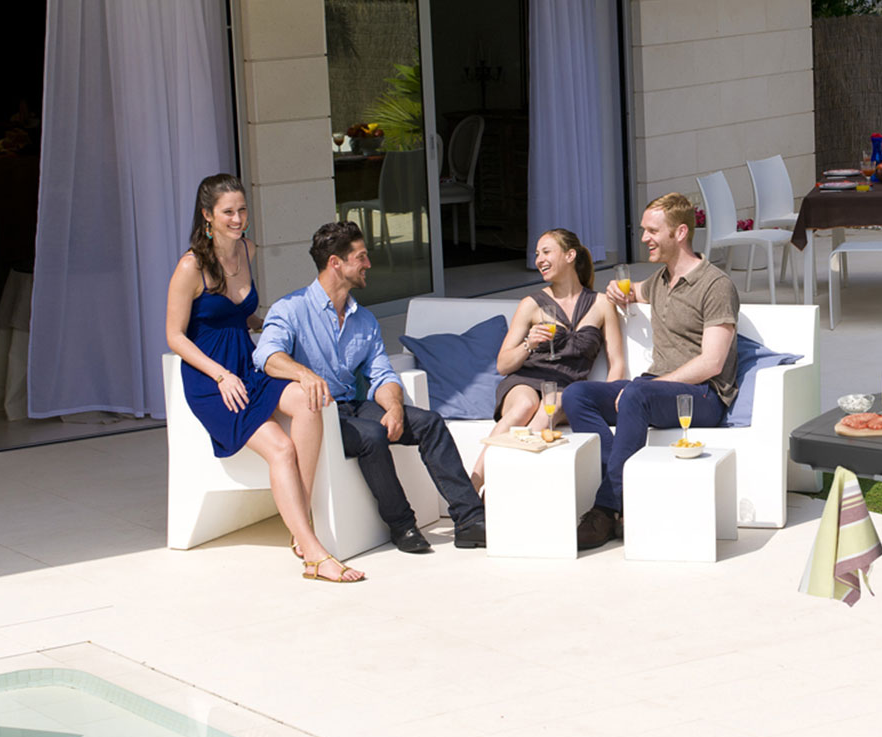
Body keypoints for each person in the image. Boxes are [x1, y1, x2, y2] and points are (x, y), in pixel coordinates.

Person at [165, 174, 362, 582]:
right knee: (281, 449)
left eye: (242, 210)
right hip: (213, 381)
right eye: (228, 212)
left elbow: (236, 312)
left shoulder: (247, 250)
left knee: (308, 399)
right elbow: (174, 336)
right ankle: (312, 551)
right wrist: (221, 376)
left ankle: (299, 523)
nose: (238, 219)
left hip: (246, 365)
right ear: (207, 215)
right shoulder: (191, 266)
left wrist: (267, 322)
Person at [253, 221, 486, 554]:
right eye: (361, 257)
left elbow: (381, 374)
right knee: (371, 434)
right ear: (336, 263)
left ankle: (470, 520)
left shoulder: (363, 319)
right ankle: (402, 526)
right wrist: (304, 375)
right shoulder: (291, 308)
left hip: (354, 405)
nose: (369, 264)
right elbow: (266, 356)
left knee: (430, 422)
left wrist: (394, 408)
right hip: (317, 415)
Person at [563, 193, 740, 549]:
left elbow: (712, 362)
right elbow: (636, 291)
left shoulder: (716, 285)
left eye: (652, 231)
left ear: (680, 233)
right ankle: (619, 486)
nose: (644, 238)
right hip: (653, 390)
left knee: (638, 393)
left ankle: (605, 508)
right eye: (644, 230)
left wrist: (648, 386)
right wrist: (618, 291)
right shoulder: (660, 281)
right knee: (577, 395)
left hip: (703, 396)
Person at [469, 228, 627, 491]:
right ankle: (471, 489)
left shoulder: (601, 304)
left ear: (570, 255)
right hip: (525, 381)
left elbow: (617, 361)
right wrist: (529, 344)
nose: (539, 260)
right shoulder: (531, 304)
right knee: (524, 406)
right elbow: (503, 365)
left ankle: (502, 486)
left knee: (552, 404)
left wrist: (607, 396)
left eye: (546, 252)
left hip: (567, 388)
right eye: (537, 254)